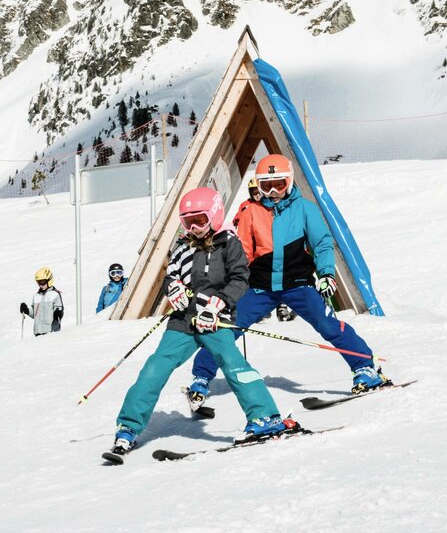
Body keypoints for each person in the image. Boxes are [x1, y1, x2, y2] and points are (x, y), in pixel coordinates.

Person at [105, 187, 298, 458]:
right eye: (188, 222)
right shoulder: (183, 246)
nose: (194, 227)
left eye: (200, 220)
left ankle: (265, 417)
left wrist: (217, 305)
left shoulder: (228, 242)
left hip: (215, 320)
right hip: (183, 321)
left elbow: (240, 279)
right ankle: (128, 427)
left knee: (234, 365)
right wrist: (173, 289)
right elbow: (170, 276)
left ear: (215, 216)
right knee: (154, 368)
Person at [188, 154, 392, 404]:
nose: (272, 191)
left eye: (279, 184)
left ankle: (364, 368)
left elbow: (322, 243)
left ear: (290, 182)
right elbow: (242, 253)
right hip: (260, 288)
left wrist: (326, 273)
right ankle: (201, 377)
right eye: (266, 185)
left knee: (328, 324)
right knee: (226, 326)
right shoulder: (251, 211)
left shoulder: (305, 208)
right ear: (258, 185)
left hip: (298, 284)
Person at [233, 178, 296, 323]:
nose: (257, 195)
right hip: (254, 248)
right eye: (253, 192)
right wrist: (239, 221)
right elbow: (239, 218)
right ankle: (260, 309)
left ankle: (282, 306)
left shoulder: (270, 205)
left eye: (258, 192)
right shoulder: (247, 206)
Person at [20, 267, 63, 336]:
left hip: (50, 332)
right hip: (37, 332)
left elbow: (59, 310)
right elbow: (34, 314)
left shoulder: (55, 294)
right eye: (38, 282)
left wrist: (57, 314)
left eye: (42, 282)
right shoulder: (36, 296)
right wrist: (27, 310)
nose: (40, 285)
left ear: (49, 280)